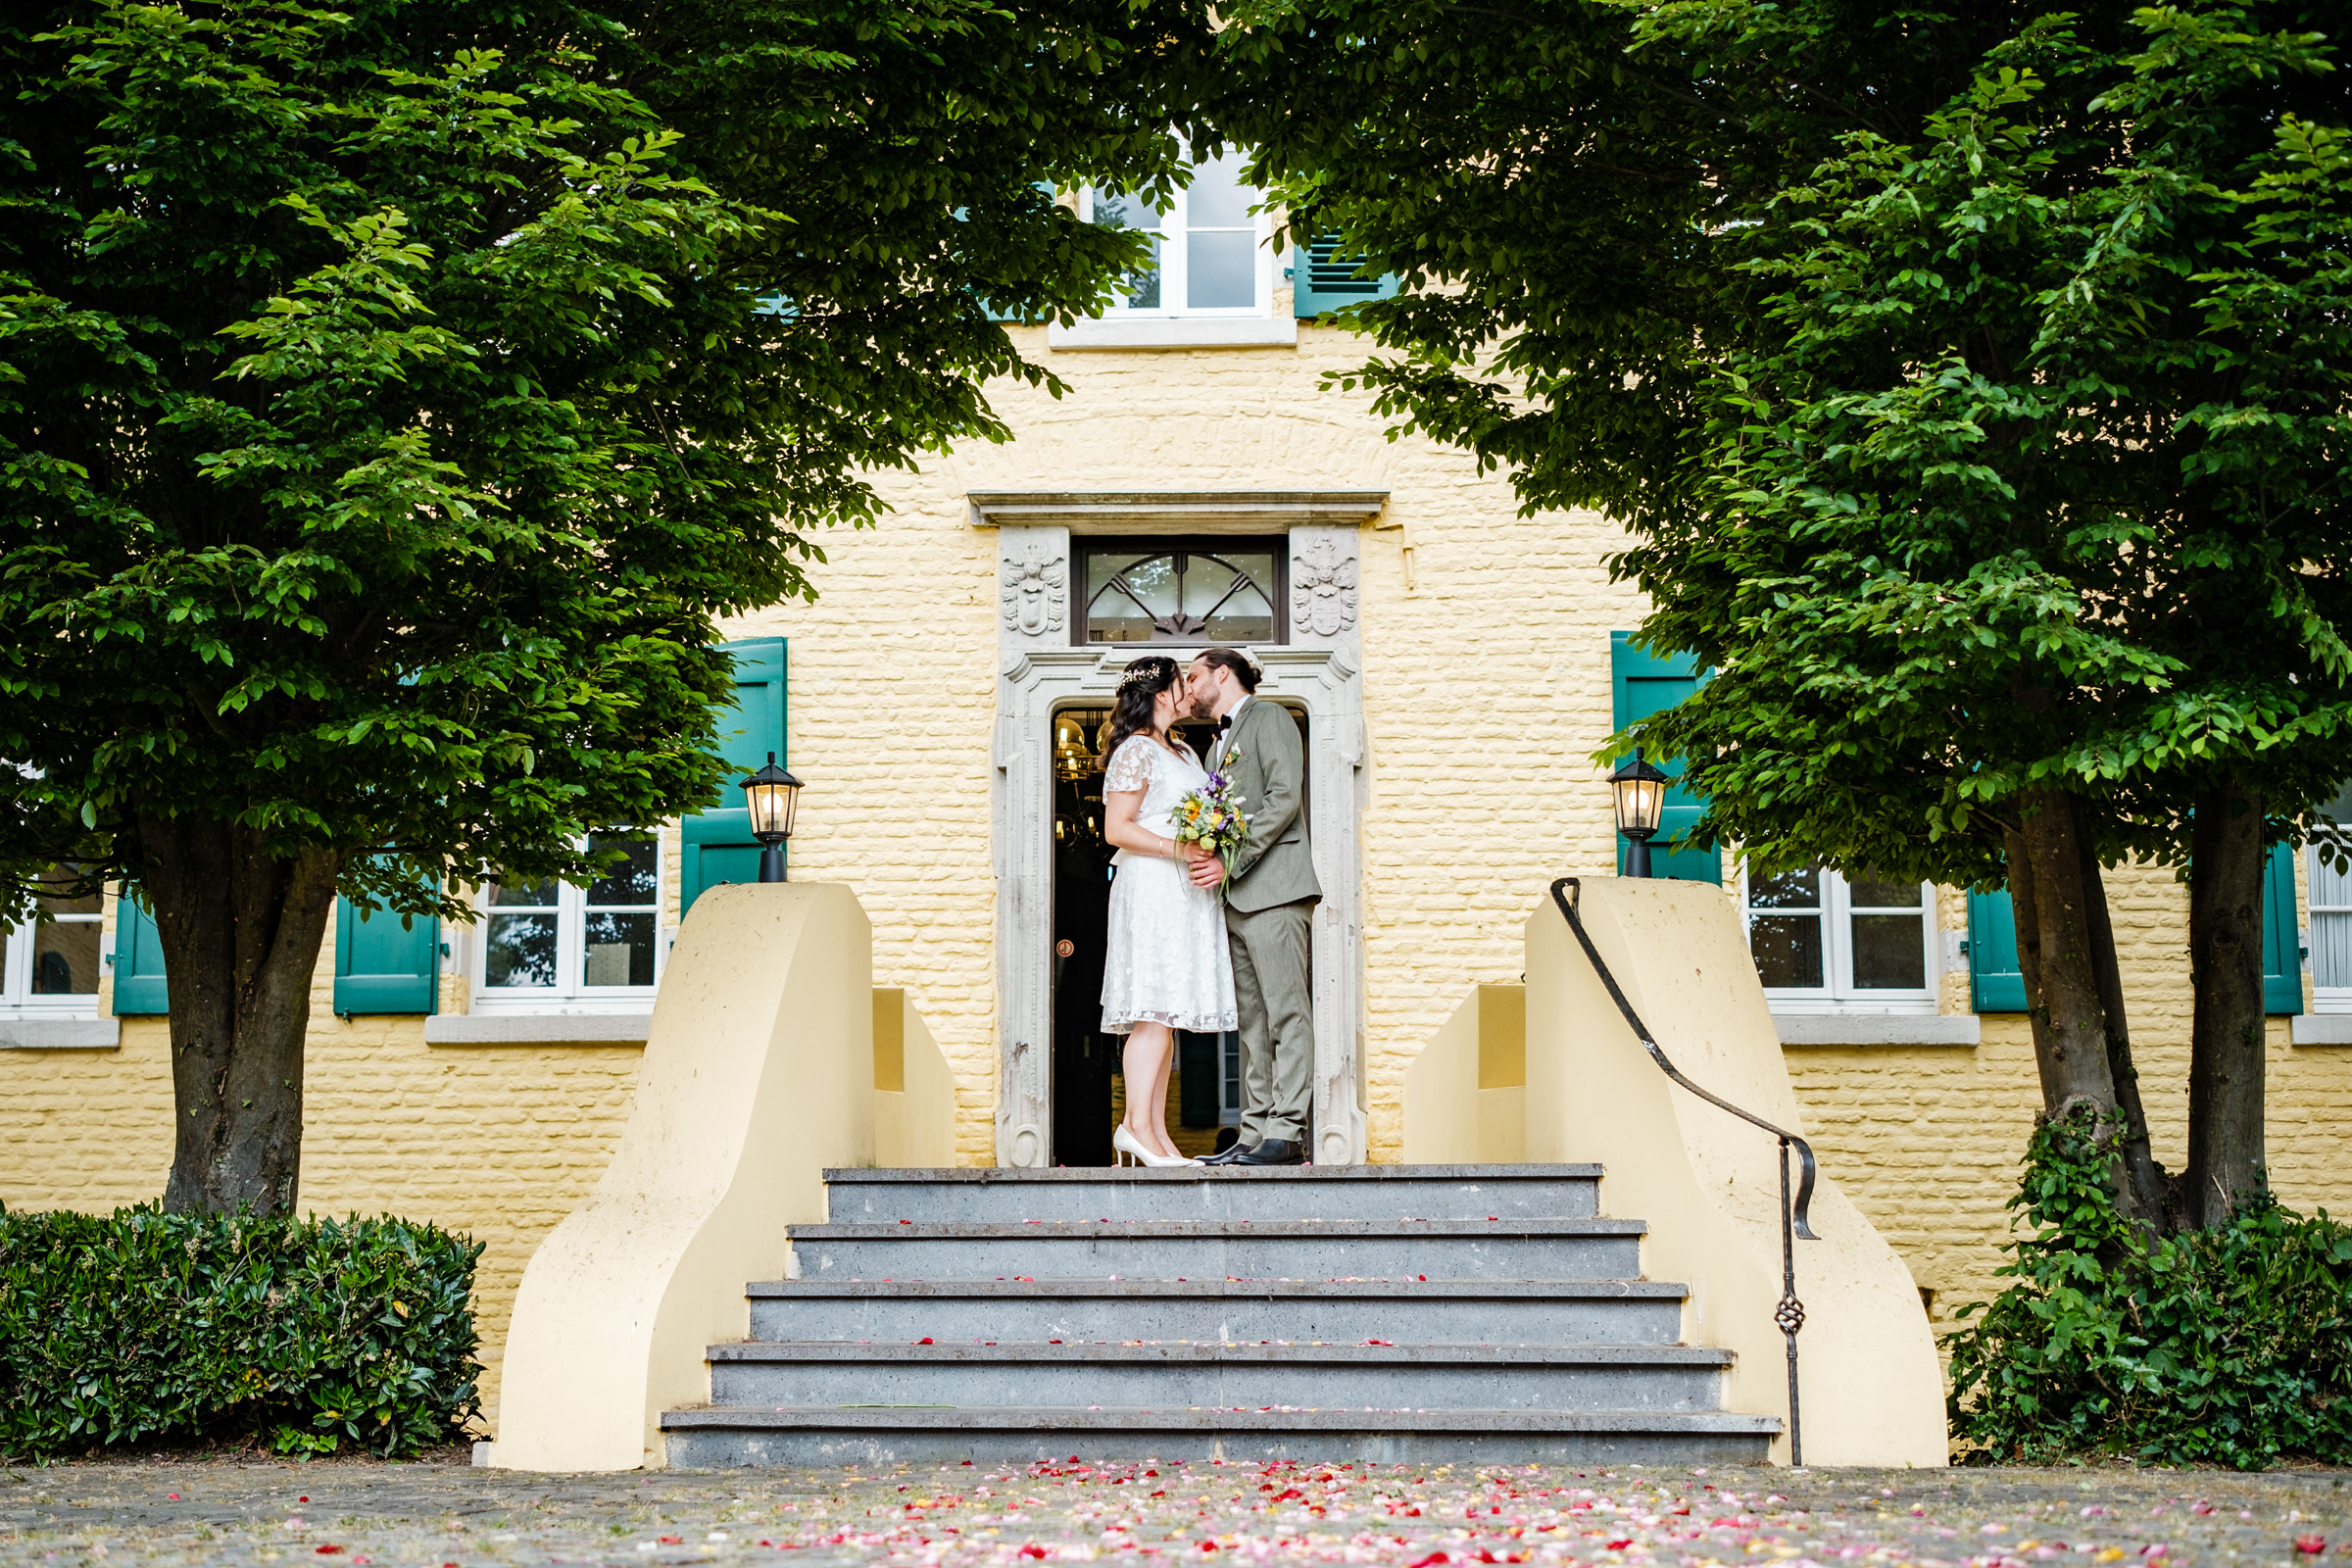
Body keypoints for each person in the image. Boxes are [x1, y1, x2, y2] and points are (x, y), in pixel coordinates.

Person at [1098, 655, 1236, 1167]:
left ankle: (1156, 1134)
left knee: (1167, 1015)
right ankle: (1134, 1126)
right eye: (1182, 683)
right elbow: (1118, 829)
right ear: (1161, 693)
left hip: (1182, 890)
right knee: (1151, 1011)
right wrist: (1177, 848)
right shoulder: (1135, 751)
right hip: (1153, 885)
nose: (1189, 692)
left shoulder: (1180, 750)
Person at [1185, 647, 1320, 1166]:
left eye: (1195, 677)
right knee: (1253, 1024)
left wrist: (1230, 861)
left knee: (1287, 1013)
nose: (1190, 688)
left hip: (1276, 890)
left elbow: (1284, 798)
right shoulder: (1217, 743)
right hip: (1236, 898)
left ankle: (1287, 1131)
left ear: (1223, 674)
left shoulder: (1272, 718)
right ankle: (1253, 1131)